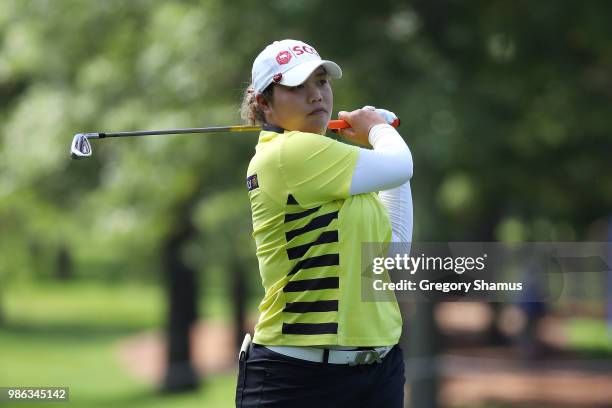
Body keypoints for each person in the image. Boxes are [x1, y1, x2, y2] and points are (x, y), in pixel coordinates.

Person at [236, 39, 413, 407]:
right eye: (297, 87)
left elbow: (393, 253)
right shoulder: (288, 153)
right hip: (299, 378)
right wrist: (381, 132)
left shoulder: (341, 169)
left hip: (377, 374)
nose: (315, 95)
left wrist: (383, 139)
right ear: (264, 103)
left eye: (320, 82)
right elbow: (400, 164)